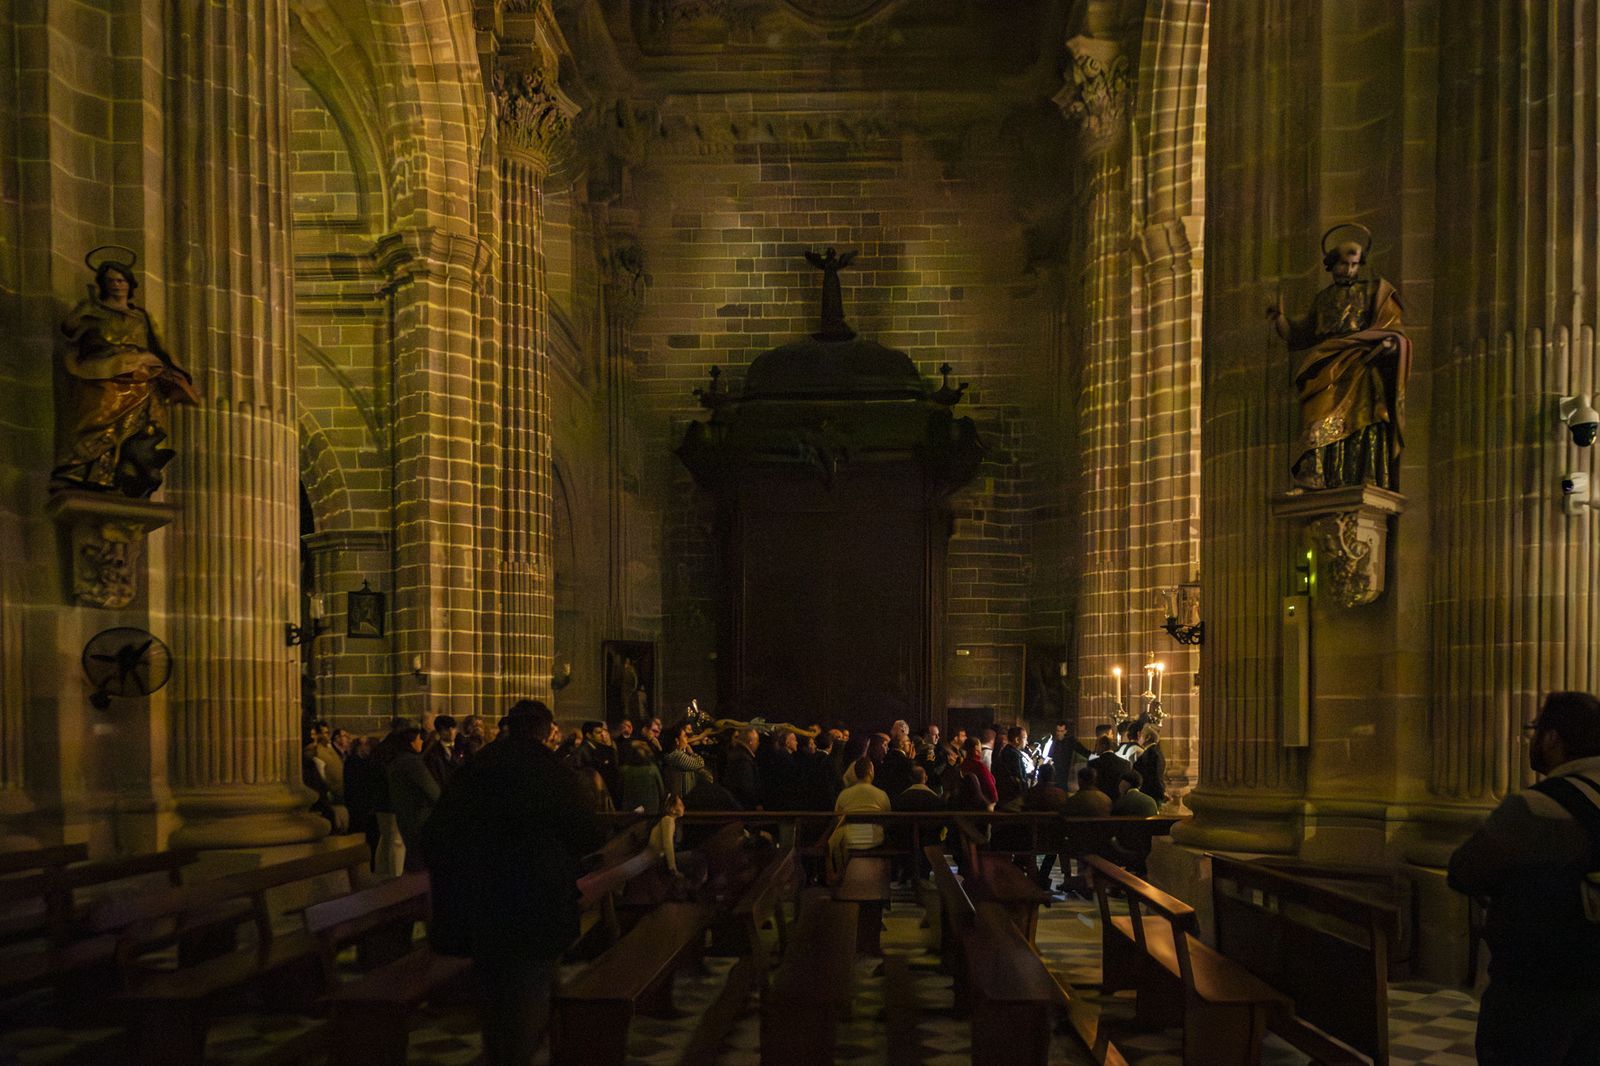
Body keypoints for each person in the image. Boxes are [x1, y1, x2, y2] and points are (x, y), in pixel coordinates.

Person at [422, 700, 602, 1066]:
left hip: (482, 900)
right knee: (529, 990)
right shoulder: (551, 771)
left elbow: (437, 832)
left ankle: (499, 1055)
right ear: (546, 731)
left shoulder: (480, 766)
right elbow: (588, 833)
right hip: (536, 900)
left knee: (494, 994)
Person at [1449, 691, 1600, 1064]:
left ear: (1552, 739)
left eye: (1535, 730)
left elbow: (1464, 872)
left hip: (1534, 989)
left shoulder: (1534, 807)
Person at [1267, 226, 1411, 491]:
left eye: (1354, 265)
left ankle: (1365, 473)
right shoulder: (1323, 298)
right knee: (1316, 413)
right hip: (1327, 362)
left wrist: (1390, 343)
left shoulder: (1373, 292)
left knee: (1365, 418)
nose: (1349, 270)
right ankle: (1315, 472)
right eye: (1344, 264)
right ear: (1332, 264)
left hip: (1361, 364)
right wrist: (1279, 319)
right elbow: (1301, 334)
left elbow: (1392, 327)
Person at [53, 253, 199, 497]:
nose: (116, 285)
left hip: (139, 374)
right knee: (98, 416)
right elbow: (69, 329)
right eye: (110, 280)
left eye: (120, 280)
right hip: (103, 372)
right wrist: (83, 311)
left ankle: (123, 473)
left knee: (139, 426)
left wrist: (177, 372)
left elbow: (161, 346)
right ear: (103, 284)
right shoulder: (94, 311)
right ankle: (83, 471)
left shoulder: (141, 317)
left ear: (129, 284)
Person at [386, 727, 441, 872]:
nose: (421, 741)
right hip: (419, 817)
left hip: (405, 816)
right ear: (411, 742)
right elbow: (432, 790)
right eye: (419, 738)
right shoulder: (412, 762)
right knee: (421, 861)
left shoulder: (396, 760)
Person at [662, 723, 713, 798]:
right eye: (684, 736)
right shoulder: (676, 756)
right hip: (681, 799)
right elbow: (699, 763)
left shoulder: (677, 754)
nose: (687, 739)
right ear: (677, 741)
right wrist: (691, 752)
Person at [618, 738, 667, 815]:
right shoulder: (652, 770)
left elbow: (620, 790)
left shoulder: (624, 770)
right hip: (651, 807)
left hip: (630, 807)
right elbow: (661, 790)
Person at [722, 727, 762, 809]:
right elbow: (746, 786)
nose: (758, 743)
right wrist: (755, 804)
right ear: (750, 741)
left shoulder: (737, 754)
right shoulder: (743, 760)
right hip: (743, 806)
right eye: (757, 740)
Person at [1088, 736, 1132, 801]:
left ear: (1103, 746)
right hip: (1119, 801)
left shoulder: (1093, 763)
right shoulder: (1126, 763)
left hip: (1100, 800)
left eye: (1096, 745)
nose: (1095, 748)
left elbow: (1090, 785)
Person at [1133, 726, 1166, 806]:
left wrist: (1160, 794)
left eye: (1141, 735)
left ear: (1148, 737)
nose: (1138, 738)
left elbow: (1155, 776)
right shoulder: (1153, 751)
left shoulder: (1152, 754)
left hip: (1151, 794)